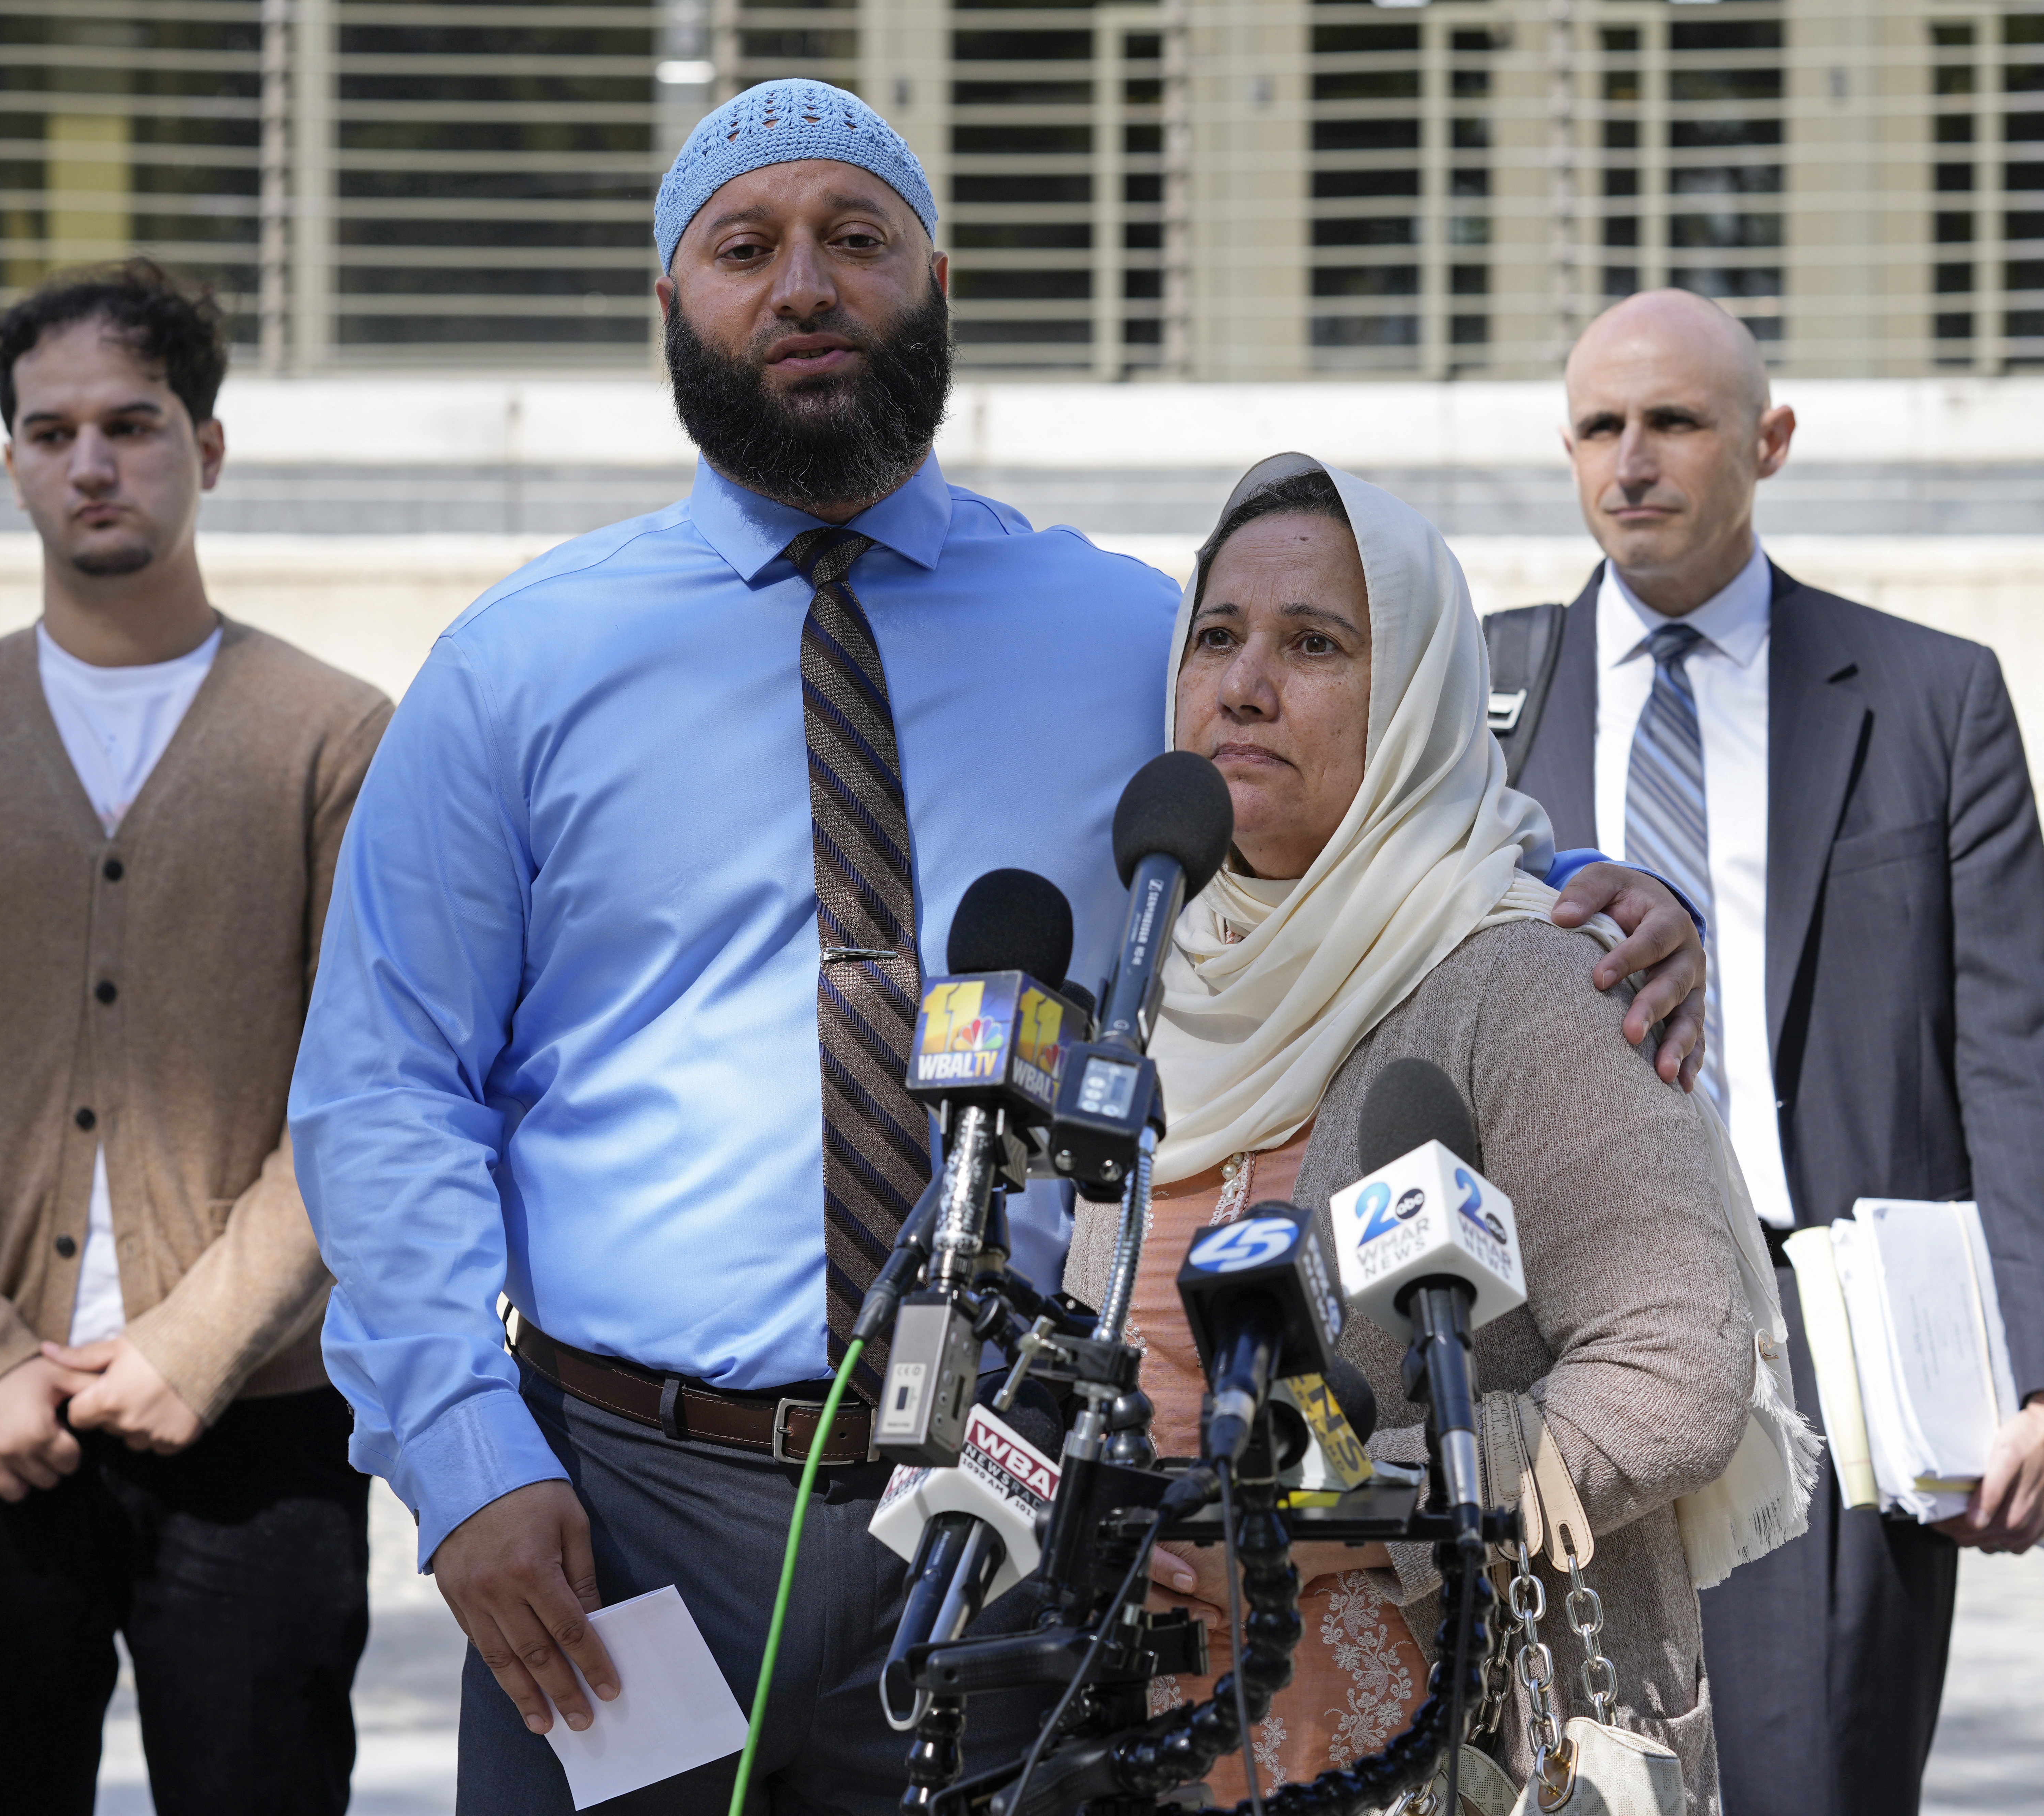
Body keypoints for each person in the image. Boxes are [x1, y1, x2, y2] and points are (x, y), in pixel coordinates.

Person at [288, 80, 1708, 1813]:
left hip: (1028, 1505)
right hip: (623, 1514)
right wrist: (464, 1457)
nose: (805, 284)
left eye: (857, 240)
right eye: (747, 248)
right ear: (673, 306)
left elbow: (1355, 805)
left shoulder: (1128, 629)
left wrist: (1602, 892)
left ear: (939, 283)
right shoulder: (514, 669)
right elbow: (381, 1094)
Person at [0, 259, 390, 1816]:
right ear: (12, 465)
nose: (93, 462)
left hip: (258, 1428)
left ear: (210, 447)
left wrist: (199, 1343)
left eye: (133, 422)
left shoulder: (334, 737)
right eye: (52, 433)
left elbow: (370, 1077)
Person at [1081, 456, 1762, 1810]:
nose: (1246, 682)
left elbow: (1679, 1371)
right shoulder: (1157, 983)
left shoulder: (1528, 975)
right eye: (1217, 636)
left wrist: (1318, 1528)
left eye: (1316, 643)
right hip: (1156, 1742)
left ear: (1415, 701)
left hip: (1460, 1751)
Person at [1486, 287, 2044, 1816]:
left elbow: (2015, 1049)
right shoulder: (1485, 694)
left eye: (1675, 421)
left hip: (1831, 1346)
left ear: (1769, 440)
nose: (1634, 460)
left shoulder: (1934, 702)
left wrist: (2039, 1371)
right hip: (1558, 1336)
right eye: (1602, 426)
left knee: (1819, 1787)